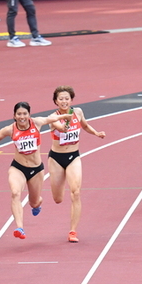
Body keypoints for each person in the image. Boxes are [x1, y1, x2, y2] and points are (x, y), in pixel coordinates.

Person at [0, 102, 70, 239]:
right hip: (18, 167)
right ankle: (20, 228)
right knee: (15, 192)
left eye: (24, 114)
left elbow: (51, 119)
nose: (22, 117)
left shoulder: (37, 123)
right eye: (19, 114)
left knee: (34, 201)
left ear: (29, 115)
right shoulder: (9, 129)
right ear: (14, 116)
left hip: (36, 169)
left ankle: (37, 205)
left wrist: (66, 115)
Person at [48, 86, 106, 243]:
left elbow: (85, 125)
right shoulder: (53, 117)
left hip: (73, 156)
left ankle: (72, 231)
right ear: (56, 101)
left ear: (71, 100)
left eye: (67, 98)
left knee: (76, 192)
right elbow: (63, 129)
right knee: (58, 198)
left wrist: (96, 133)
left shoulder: (78, 112)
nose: (64, 101)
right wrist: (66, 120)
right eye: (61, 98)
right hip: (56, 159)